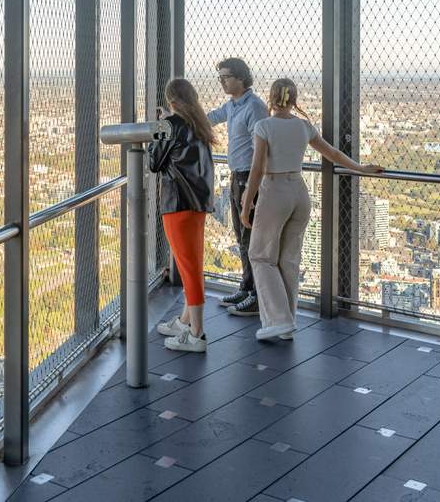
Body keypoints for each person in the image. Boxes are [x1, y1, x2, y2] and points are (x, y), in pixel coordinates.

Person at [242, 78, 383, 341]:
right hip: (299, 192)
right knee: (289, 260)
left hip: (275, 190)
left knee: (261, 256)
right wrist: (361, 169)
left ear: (271, 99)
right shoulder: (304, 127)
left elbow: (258, 169)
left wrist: (246, 201)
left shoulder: (264, 127)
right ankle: (287, 322)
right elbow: (333, 154)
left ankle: (278, 320)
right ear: (294, 100)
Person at [148, 78, 217, 353]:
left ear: (171, 101)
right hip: (198, 203)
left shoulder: (171, 125)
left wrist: (161, 126)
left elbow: (154, 162)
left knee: (188, 267)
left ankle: (197, 334)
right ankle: (187, 320)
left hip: (177, 202)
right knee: (192, 262)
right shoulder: (200, 125)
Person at [206, 57, 269, 316]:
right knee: (241, 237)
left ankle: (256, 296)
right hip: (237, 177)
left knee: (250, 238)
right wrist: (178, 116)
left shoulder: (254, 107)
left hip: (247, 178)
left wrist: (251, 190)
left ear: (241, 78)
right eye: (219, 77)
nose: (222, 81)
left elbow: (260, 152)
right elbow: (210, 118)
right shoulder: (233, 105)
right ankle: (247, 287)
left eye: (226, 77)